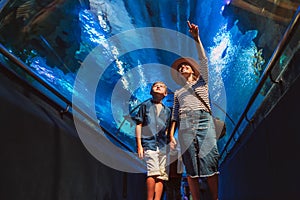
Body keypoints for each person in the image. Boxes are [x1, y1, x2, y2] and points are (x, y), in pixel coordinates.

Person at [169, 21, 219, 200]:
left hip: (204, 120)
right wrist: (171, 136)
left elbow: (204, 61)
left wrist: (196, 39)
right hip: (185, 123)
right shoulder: (177, 92)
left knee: (210, 161)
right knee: (190, 166)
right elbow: (174, 115)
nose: (183, 67)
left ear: (192, 70)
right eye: (180, 67)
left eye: (186, 66)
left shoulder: (202, 82)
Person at [134, 81, 171, 200]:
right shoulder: (145, 105)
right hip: (149, 143)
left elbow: (166, 129)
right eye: (155, 86)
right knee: (152, 172)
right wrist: (139, 145)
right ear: (151, 91)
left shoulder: (168, 111)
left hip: (163, 145)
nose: (158, 86)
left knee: (161, 175)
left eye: (162, 86)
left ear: (165, 93)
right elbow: (139, 124)